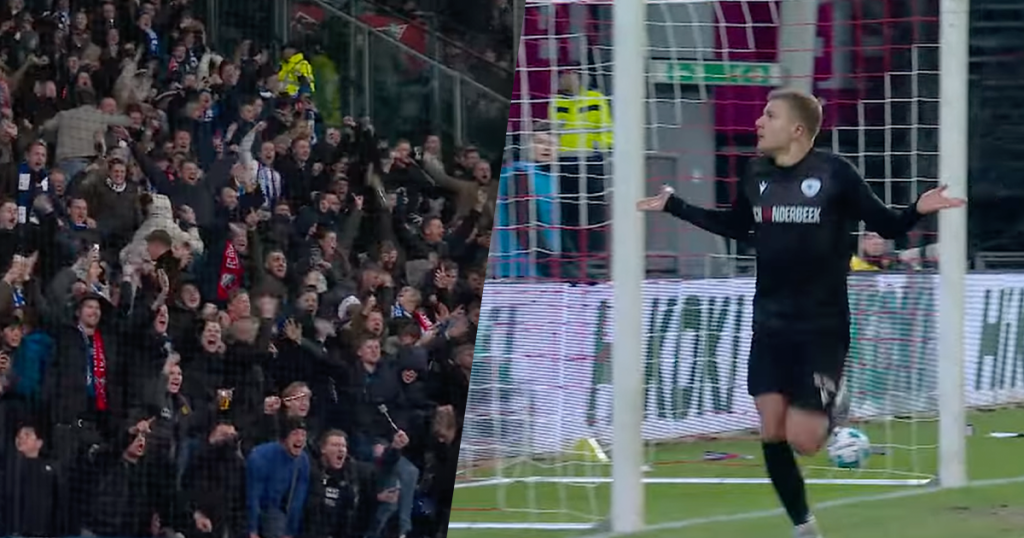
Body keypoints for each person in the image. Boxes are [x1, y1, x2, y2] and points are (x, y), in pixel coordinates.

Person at [636, 88, 965, 538]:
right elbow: (737, 227)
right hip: (769, 321)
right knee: (771, 428)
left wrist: (918, 209)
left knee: (804, 440)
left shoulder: (835, 173)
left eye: (769, 115)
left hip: (822, 326)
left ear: (796, 129)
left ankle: (833, 403)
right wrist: (675, 205)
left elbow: (886, 225)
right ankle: (803, 525)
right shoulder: (755, 173)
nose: (758, 122)